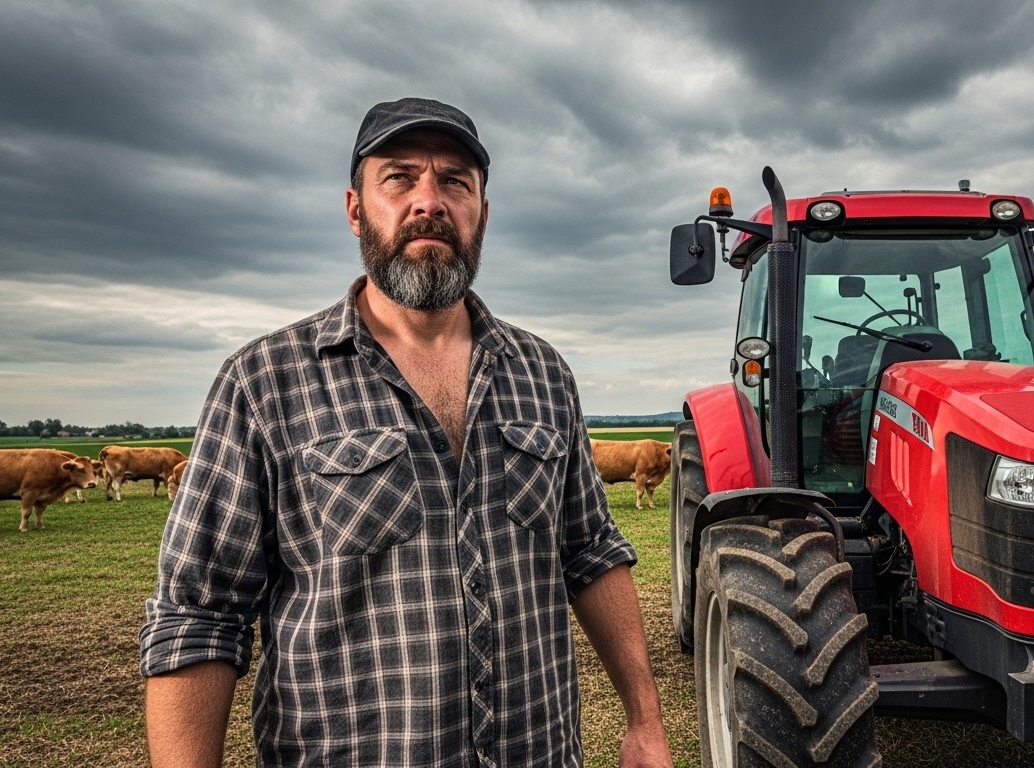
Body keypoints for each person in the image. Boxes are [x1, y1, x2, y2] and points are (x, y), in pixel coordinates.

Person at [139, 97, 673, 767]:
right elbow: (199, 613)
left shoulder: (543, 373)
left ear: (482, 212)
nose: (430, 201)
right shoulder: (264, 381)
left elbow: (590, 552)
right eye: (399, 177)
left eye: (455, 181)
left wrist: (645, 721)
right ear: (355, 208)